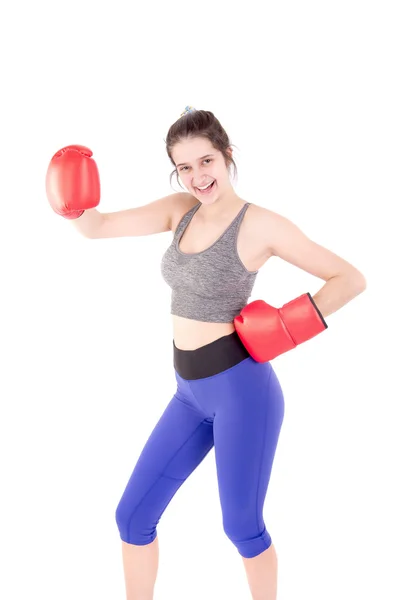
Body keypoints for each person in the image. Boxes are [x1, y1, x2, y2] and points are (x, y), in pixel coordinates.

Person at [46, 107, 366, 600]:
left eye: (206, 161)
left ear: (227, 155)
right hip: (189, 393)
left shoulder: (261, 224)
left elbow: (349, 279)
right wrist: (71, 202)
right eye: (185, 167)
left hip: (242, 392)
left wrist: (284, 329)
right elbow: (98, 227)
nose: (197, 176)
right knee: (132, 516)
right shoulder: (181, 209)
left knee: (242, 527)